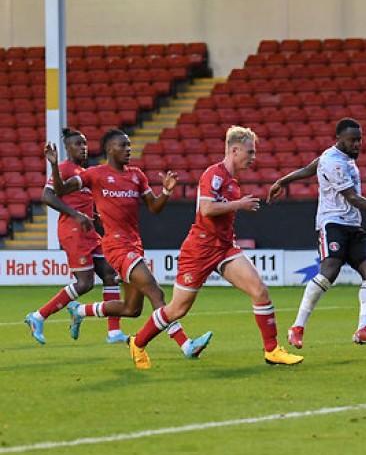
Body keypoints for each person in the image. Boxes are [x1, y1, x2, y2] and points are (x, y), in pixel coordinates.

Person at [126, 126, 303, 368]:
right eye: (250, 152)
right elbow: (207, 209)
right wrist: (239, 204)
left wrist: (236, 205)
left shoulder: (231, 180)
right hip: (199, 249)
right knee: (177, 309)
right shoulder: (214, 175)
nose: (253, 158)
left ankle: (272, 350)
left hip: (224, 247)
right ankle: (138, 342)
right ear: (234, 150)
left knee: (260, 290)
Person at [47, 129, 212, 362]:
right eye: (123, 145)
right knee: (156, 292)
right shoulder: (95, 174)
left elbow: (154, 207)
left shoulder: (137, 175)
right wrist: (54, 166)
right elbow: (61, 189)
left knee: (131, 309)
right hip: (116, 247)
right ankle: (186, 344)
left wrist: (166, 191)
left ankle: (80, 310)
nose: (128, 149)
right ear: (110, 149)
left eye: (129, 145)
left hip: (134, 245)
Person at [266, 117, 366, 349]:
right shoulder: (334, 162)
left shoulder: (339, 158)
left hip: (353, 226)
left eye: (360, 140)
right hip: (332, 224)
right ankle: (297, 327)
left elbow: (308, 169)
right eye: (353, 140)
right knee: (329, 271)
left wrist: (282, 181)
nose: (357, 144)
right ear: (339, 139)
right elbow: (352, 197)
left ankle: (363, 329)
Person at [25, 128, 126, 345]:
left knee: (110, 274)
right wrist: (76, 214)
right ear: (68, 148)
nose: (83, 147)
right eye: (78, 144)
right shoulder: (64, 168)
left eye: (85, 143)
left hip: (89, 232)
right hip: (73, 232)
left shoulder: (83, 172)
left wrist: (95, 215)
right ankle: (38, 316)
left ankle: (114, 332)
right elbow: (47, 196)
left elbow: (80, 200)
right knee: (85, 283)